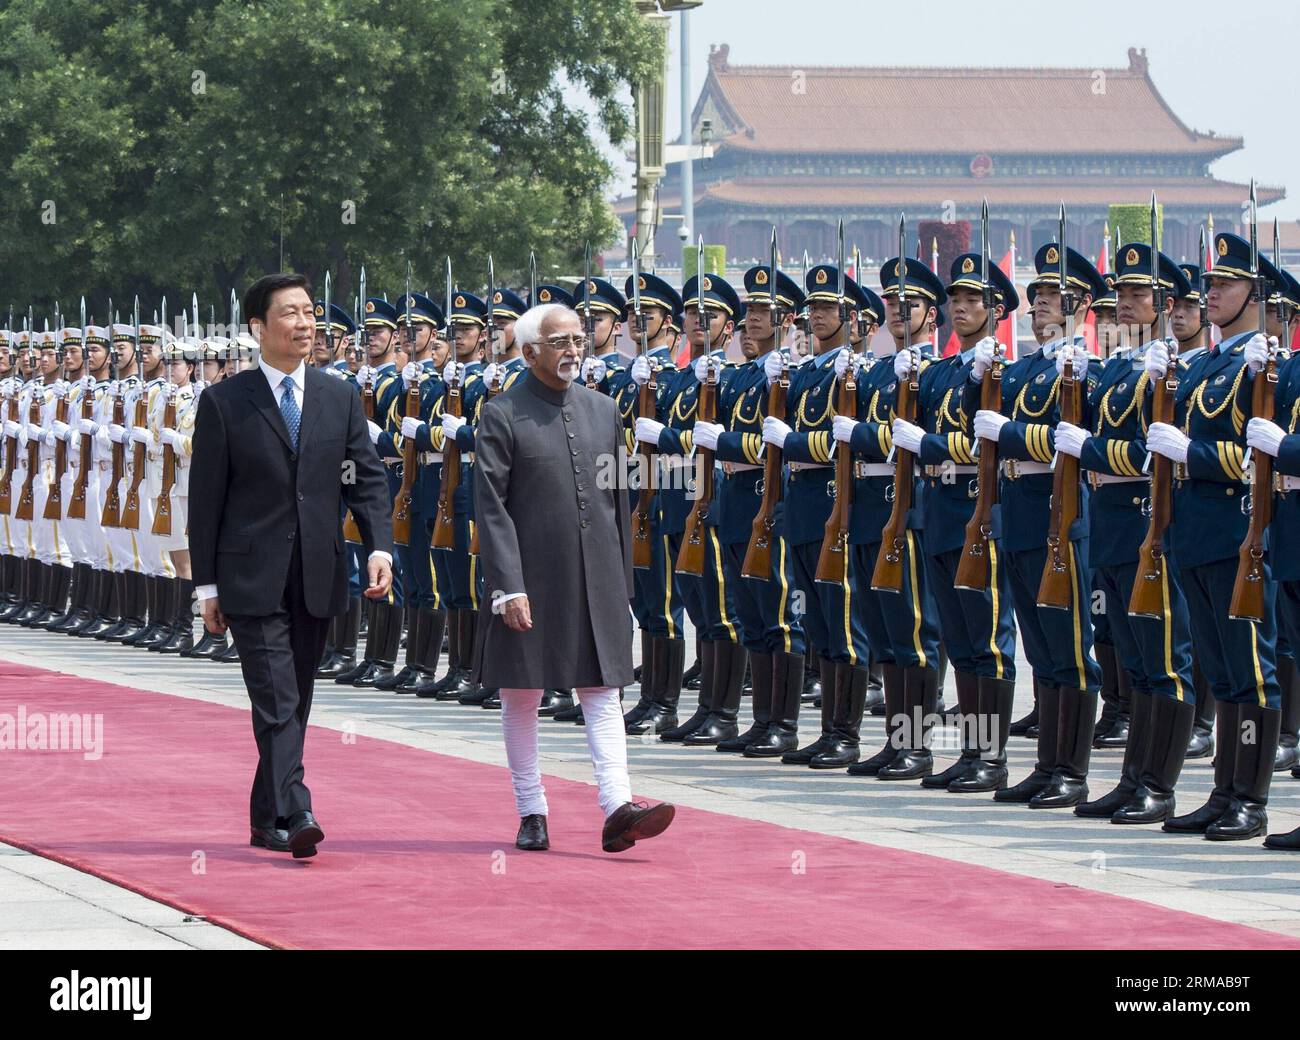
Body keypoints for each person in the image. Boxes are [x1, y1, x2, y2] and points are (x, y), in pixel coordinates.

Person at [189, 272, 394, 859]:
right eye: (291, 313)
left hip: (318, 573)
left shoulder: (338, 396)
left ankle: (264, 817)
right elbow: (205, 504)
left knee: (295, 698)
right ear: (258, 327)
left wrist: (379, 547)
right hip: (248, 578)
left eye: (310, 312)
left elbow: (369, 479)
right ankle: (297, 807)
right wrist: (206, 586)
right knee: (276, 697)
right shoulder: (226, 401)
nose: (306, 323)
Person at [472, 300, 675, 853]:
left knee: (601, 688)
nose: (573, 351)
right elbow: (491, 507)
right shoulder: (502, 414)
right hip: (532, 577)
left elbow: (616, 498)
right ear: (530, 350)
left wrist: (621, 584)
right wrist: (508, 586)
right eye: (560, 342)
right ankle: (531, 808)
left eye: (579, 340)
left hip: (596, 574)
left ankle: (617, 807)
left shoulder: (604, 410)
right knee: (522, 694)